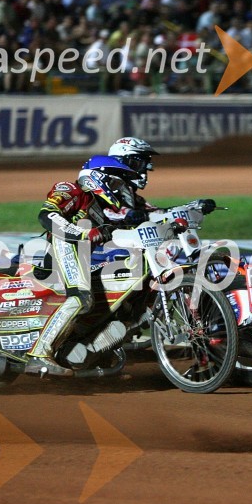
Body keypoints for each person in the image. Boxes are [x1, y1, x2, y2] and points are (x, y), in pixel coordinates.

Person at [26, 137, 161, 376]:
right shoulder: (71, 189)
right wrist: (86, 234)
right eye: (116, 183)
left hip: (85, 255)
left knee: (127, 298)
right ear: (100, 177)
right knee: (81, 299)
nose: (120, 189)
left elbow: (148, 215)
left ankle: (92, 349)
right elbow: (47, 215)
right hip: (62, 246)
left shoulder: (102, 205)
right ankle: (38, 354)